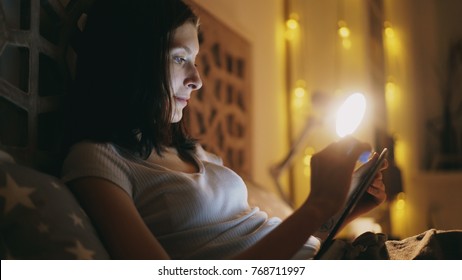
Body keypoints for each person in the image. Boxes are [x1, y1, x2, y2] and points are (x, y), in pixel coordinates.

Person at [61, 0, 387, 260]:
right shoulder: (97, 160)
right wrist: (316, 205)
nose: (197, 80)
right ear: (131, 60)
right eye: (179, 58)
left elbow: (293, 248)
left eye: (196, 60)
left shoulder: (196, 153)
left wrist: (340, 210)